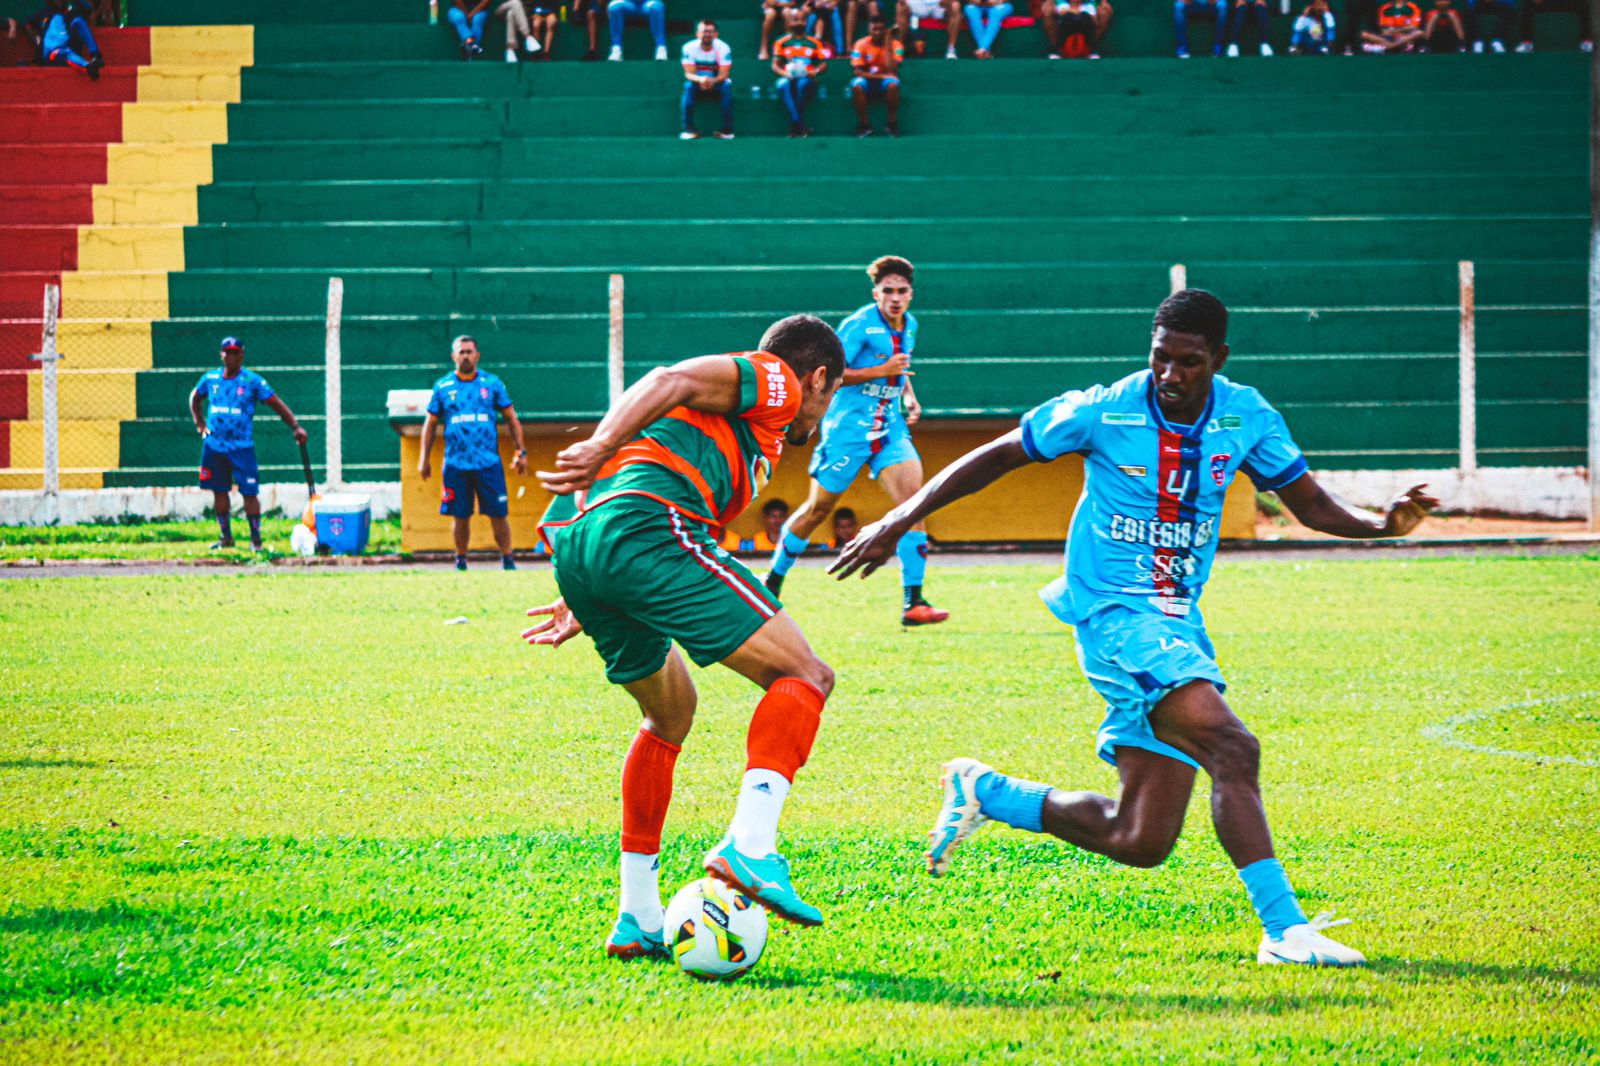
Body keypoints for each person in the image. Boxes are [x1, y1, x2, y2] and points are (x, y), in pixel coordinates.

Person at [830, 289, 1439, 966]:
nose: (1171, 376)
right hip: (1115, 618)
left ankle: (986, 791)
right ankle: (1285, 931)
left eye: (1189, 362)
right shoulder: (1102, 407)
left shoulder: (1246, 416)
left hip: (1179, 623)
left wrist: (1381, 525)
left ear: (1219, 359)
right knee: (1234, 748)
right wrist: (895, 520)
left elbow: (1310, 503)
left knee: (1139, 839)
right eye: (1160, 359)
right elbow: (997, 456)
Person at [522, 315, 846, 957]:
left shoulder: (742, 435)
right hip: (645, 531)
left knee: (670, 714)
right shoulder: (776, 381)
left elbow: (638, 468)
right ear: (815, 379)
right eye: (831, 393)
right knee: (806, 676)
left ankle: (637, 914)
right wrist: (598, 442)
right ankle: (752, 846)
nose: (825, 409)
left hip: (591, 548)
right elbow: (669, 377)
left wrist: (587, 585)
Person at [765, 256, 948, 627]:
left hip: (889, 427)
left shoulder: (909, 324)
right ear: (876, 293)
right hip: (848, 430)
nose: (895, 298)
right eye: (888, 291)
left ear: (911, 294)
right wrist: (881, 371)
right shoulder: (859, 325)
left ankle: (913, 601)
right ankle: (772, 582)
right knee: (817, 511)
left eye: (901, 291)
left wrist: (908, 392)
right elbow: (831, 372)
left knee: (914, 505)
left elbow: (899, 366)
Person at [417, 335, 529, 571]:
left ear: (477, 355)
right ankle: (461, 561)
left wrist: (522, 450)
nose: (465, 356)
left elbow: (511, 418)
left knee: (498, 513)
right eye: (461, 352)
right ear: (453, 356)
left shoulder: (492, 383)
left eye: (469, 351)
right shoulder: (443, 386)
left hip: (488, 462)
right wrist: (423, 459)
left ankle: (508, 560)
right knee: (460, 515)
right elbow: (430, 424)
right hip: (456, 463)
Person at [188, 336, 307, 552]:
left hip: (241, 447)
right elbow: (195, 397)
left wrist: (295, 426)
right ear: (221, 354)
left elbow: (275, 403)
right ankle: (226, 537)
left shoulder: (252, 381)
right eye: (227, 352)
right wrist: (200, 424)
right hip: (215, 446)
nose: (231, 356)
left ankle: (256, 540)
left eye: (236, 352)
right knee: (219, 491)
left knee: (249, 492)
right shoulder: (211, 379)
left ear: (242, 355)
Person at [773, 8, 828, 137]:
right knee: (782, 84)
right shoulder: (781, 42)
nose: (799, 23)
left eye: (802, 20)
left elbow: (824, 64)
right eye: (795, 20)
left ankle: (795, 126)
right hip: (788, 76)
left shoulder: (814, 42)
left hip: (807, 78)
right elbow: (775, 66)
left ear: (806, 22)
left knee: (801, 85)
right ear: (790, 22)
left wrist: (816, 71)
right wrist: (784, 74)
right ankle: (800, 125)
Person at [849, 17, 904, 138]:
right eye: (874, 29)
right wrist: (881, 76)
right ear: (869, 30)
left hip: (886, 81)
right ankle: (864, 124)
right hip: (868, 80)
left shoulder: (897, 45)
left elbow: (893, 69)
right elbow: (858, 71)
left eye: (881, 29)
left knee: (893, 84)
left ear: (885, 30)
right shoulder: (860, 44)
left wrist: (888, 40)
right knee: (857, 85)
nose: (877, 32)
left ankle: (891, 122)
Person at [680, 20, 734, 140]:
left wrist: (712, 81)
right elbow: (689, 73)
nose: (707, 35)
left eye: (711, 32)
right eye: (704, 31)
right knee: (688, 87)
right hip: (697, 82)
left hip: (717, 82)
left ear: (716, 34)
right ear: (697, 34)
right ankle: (688, 130)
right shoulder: (688, 48)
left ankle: (727, 131)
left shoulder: (723, 48)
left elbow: (724, 74)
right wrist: (701, 80)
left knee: (726, 86)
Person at [27, 0, 103, 78]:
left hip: (68, 49)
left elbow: (88, 9)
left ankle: (96, 56)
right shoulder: (44, 13)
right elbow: (28, 23)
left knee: (78, 21)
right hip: (51, 54)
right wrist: (33, 34)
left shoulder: (71, 14)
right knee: (65, 52)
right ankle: (88, 67)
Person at [1516, 0, 1593, 51]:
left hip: (1565, 2)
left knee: (1584, 5)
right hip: (1546, 3)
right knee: (1527, 4)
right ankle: (1527, 43)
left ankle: (1586, 42)